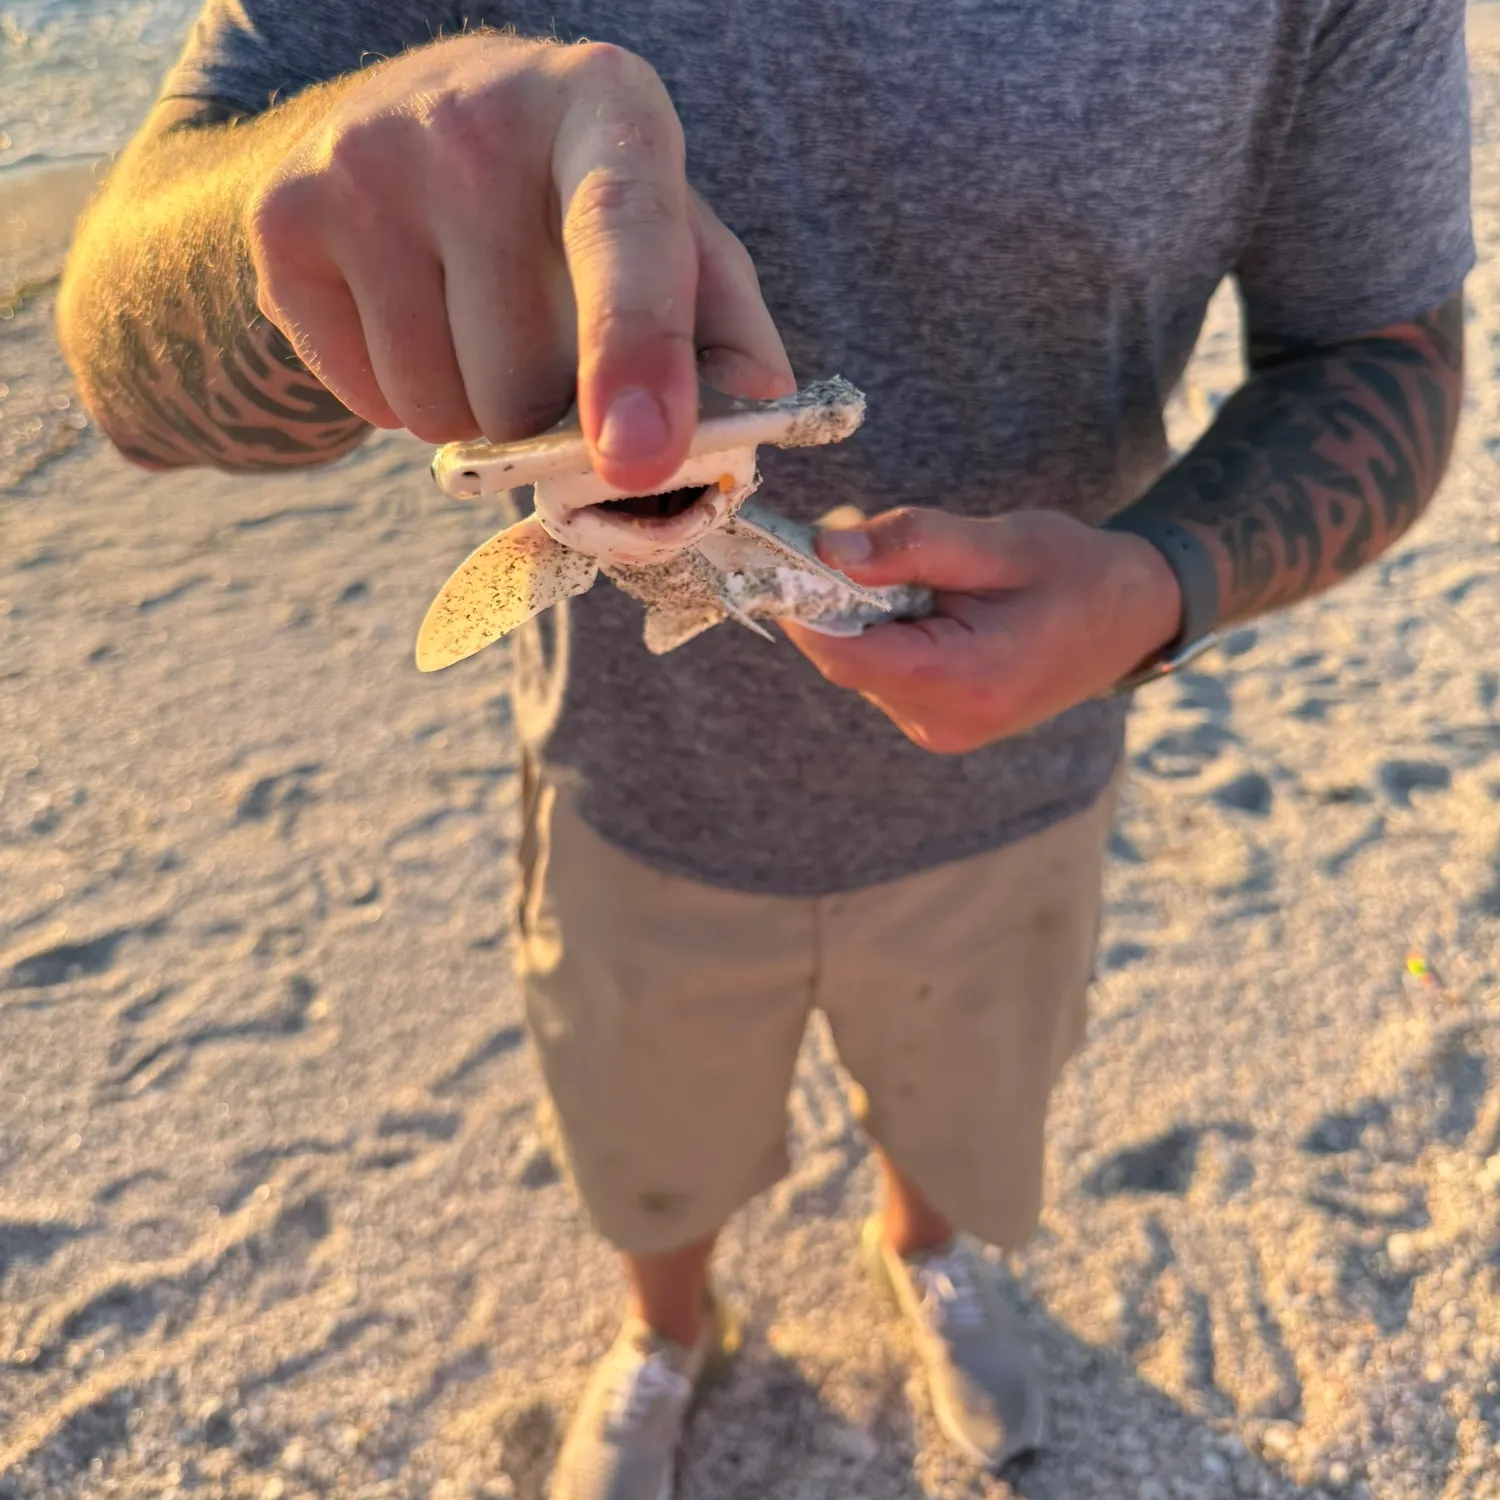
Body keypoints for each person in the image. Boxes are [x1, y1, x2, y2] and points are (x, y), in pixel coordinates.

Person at [58, 2, 1470, 1495]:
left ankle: (926, 1250)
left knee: (965, 1116)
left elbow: (1383, 350)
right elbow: (126, 380)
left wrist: (1159, 586)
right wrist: (317, 183)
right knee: (648, 1150)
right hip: (638, 795)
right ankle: (667, 1331)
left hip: (1024, 788)